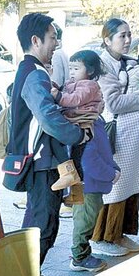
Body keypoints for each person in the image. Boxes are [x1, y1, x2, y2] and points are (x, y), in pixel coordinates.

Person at [7, 13, 90, 276]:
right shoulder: (34, 74)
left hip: (41, 159)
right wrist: (78, 134)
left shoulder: (31, 71)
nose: (56, 43)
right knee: (43, 223)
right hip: (41, 161)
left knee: (39, 219)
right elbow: (48, 118)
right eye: (53, 37)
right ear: (35, 40)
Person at [92, 18, 139, 258]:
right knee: (117, 186)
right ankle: (103, 237)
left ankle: (120, 233)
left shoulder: (129, 62)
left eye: (129, 34)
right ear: (107, 39)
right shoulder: (103, 65)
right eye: (122, 36)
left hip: (132, 136)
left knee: (131, 183)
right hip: (114, 135)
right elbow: (114, 103)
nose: (127, 40)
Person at [64, 50, 119, 273]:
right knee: (85, 218)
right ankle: (79, 256)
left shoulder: (91, 121)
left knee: (82, 216)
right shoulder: (87, 124)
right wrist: (111, 173)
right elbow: (90, 158)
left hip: (83, 180)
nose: (101, 102)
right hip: (89, 182)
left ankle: (81, 252)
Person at [49, 53, 106, 201]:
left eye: (76, 68)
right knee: (75, 158)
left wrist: (59, 97)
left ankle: (74, 189)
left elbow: (75, 99)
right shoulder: (71, 83)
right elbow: (64, 89)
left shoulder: (90, 85)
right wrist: (54, 86)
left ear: (90, 71)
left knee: (76, 157)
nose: (72, 72)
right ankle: (75, 194)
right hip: (75, 121)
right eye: (70, 68)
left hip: (83, 124)